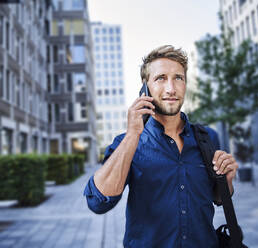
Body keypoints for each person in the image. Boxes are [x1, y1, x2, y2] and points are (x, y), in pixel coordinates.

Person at [84, 45, 239, 247]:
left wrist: (226, 181)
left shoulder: (208, 138)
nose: (171, 89)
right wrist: (132, 135)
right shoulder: (127, 143)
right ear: (145, 87)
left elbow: (216, 197)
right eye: (161, 78)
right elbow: (98, 203)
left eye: (178, 78)